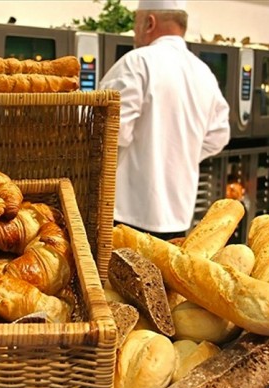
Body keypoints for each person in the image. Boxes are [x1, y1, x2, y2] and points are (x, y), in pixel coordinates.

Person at [99, 0, 230, 241]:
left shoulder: (137, 62)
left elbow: (110, 130)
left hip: (125, 216)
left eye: (136, 23)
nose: (134, 32)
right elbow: (219, 136)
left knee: (113, 278)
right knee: (162, 279)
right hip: (178, 217)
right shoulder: (203, 72)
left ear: (149, 22)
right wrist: (182, 153)